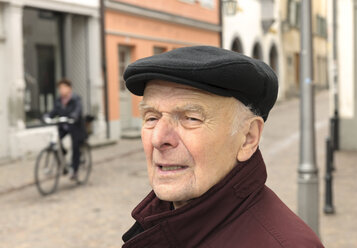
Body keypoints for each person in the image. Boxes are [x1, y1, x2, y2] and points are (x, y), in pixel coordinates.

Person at [121, 46, 324, 248]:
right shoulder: (158, 223)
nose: (158, 138)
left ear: (248, 138)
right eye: (151, 118)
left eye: (190, 118)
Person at [48, 78, 86, 180]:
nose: (61, 90)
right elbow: (54, 111)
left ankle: (75, 170)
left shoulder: (76, 98)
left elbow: (78, 109)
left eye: (64, 87)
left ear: (69, 88)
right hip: (64, 126)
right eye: (60, 88)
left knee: (75, 147)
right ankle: (63, 162)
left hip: (75, 126)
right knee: (54, 143)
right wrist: (47, 116)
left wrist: (74, 116)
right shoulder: (58, 100)